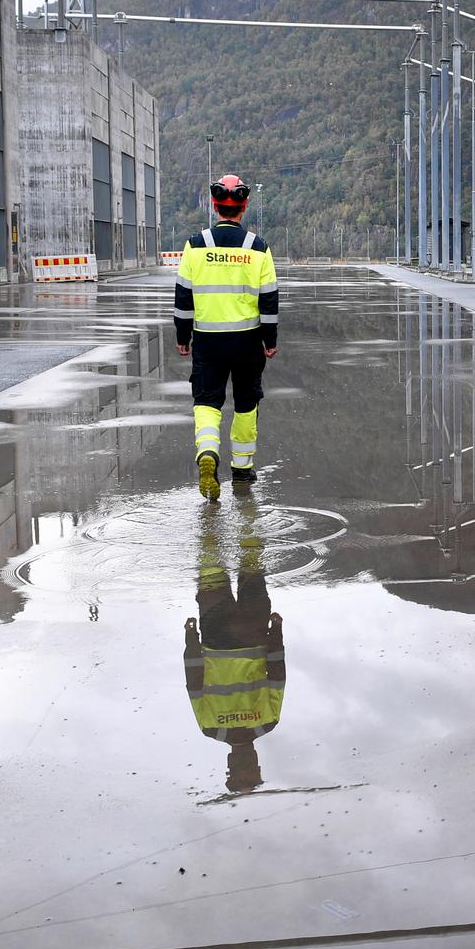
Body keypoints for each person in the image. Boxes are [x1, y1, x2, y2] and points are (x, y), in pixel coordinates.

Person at [172, 175, 279, 500]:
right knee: (246, 404)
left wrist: (183, 335)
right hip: (247, 342)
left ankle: (208, 454)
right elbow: (269, 299)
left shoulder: (195, 245)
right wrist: (269, 339)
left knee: (206, 402)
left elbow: (183, 297)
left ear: (214, 205)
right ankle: (242, 470)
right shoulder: (258, 248)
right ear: (244, 207)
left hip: (207, 340)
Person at [185, 504, 286, 793]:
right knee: (211, 563)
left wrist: (275, 632)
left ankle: (246, 511)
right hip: (216, 633)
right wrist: (191, 641)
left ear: (254, 761)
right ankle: (210, 512)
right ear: (231, 762)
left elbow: (276, 673)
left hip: (253, 629)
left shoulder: (268, 722)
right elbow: (194, 680)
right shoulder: (210, 727)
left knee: (252, 562)